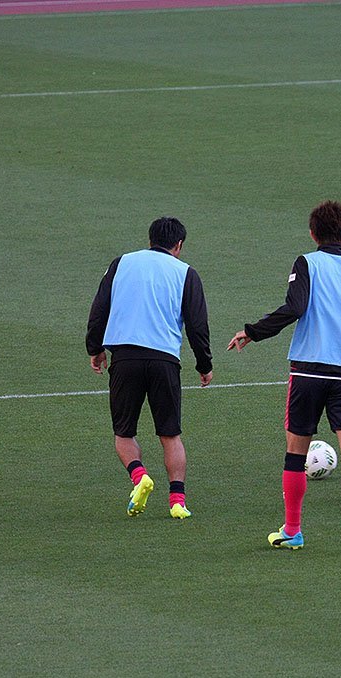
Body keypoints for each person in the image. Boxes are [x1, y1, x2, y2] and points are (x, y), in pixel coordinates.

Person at [229, 200, 341, 552]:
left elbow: (294, 307)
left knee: (295, 454)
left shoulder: (307, 263)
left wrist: (253, 331)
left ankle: (292, 530)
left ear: (313, 234)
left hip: (307, 372)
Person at [87, 216, 212, 519]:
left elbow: (99, 308)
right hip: (164, 360)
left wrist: (95, 348)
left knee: (124, 433)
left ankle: (139, 475)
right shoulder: (186, 273)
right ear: (178, 245)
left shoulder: (121, 263)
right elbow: (197, 326)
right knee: (170, 435)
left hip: (125, 358)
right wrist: (204, 364)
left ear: (150, 240)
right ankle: (178, 502)